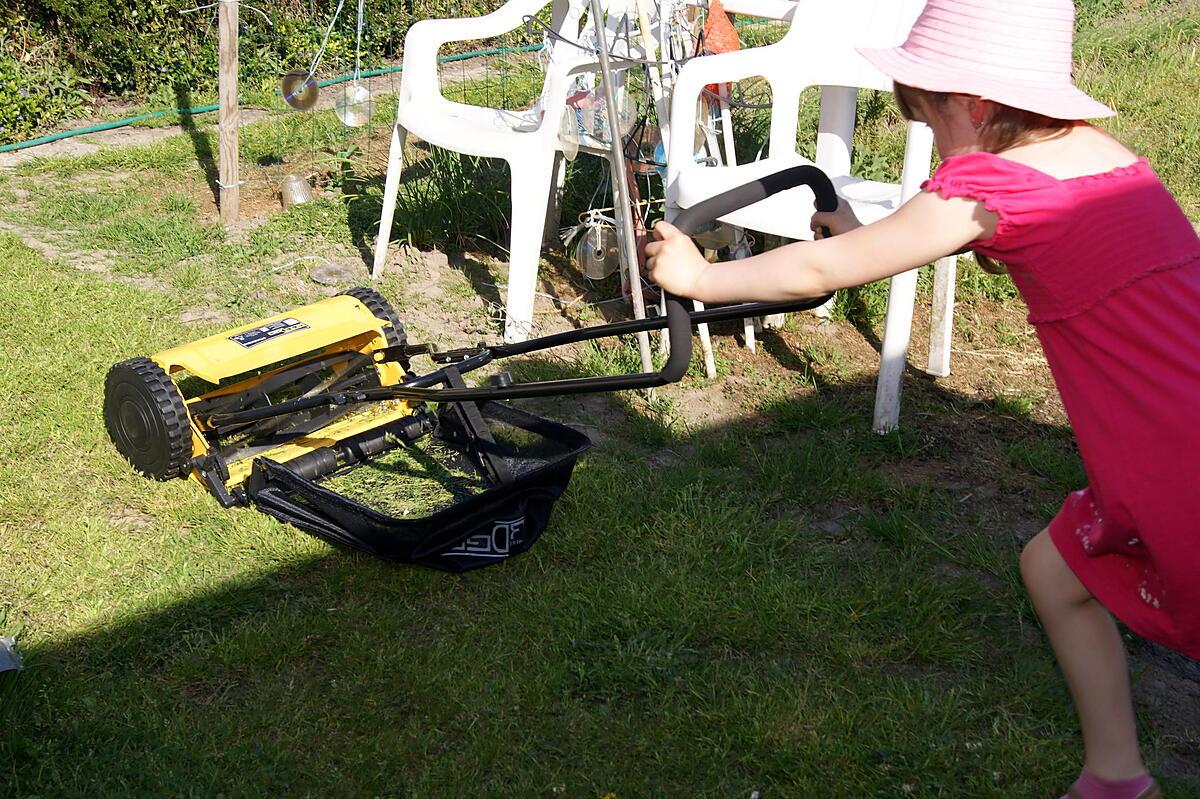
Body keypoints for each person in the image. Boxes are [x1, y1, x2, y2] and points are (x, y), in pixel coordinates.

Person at [645, 1, 1200, 797]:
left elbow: (817, 274)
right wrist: (848, 226)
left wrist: (700, 279)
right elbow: (1016, 248)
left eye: (928, 118)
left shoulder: (990, 182)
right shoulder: (1106, 160)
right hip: (1176, 411)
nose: (934, 144)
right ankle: (1115, 775)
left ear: (974, 105)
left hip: (1175, 450)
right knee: (1055, 570)